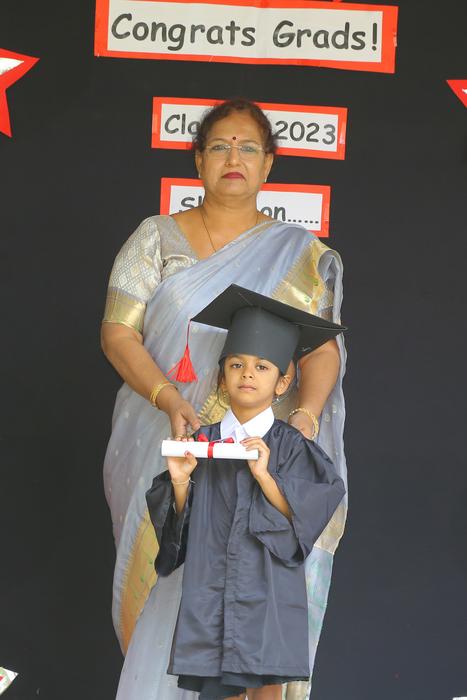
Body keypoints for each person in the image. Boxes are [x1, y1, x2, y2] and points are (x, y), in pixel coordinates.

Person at [101, 98, 347, 700]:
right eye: (218, 146)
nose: (233, 157)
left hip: (263, 459)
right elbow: (118, 333)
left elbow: (321, 350)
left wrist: (305, 419)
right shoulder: (155, 238)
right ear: (198, 160)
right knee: (169, 580)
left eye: (247, 148)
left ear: (268, 164)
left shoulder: (300, 253)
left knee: (258, 609)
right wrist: (167, 398)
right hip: (169, 442)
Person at [145, 285, 346, 700]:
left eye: (262, 366)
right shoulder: (201, 443)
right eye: (236, 364)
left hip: (269, 589)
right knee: (219, 690)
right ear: (222, 377)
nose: (248, 374)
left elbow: (307, 516)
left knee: (265, 686)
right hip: (211, 587)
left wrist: (266, 476)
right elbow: (179, 530)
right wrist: (180, 481)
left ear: (282, 382)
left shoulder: (292, 447)